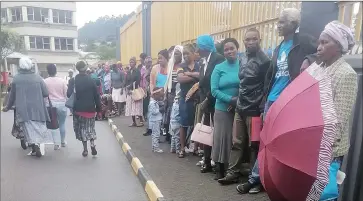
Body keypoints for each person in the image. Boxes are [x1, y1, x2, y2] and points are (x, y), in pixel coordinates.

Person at [237, 8, 318, 194]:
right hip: (272, 100)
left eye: (282, 22)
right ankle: (258, 179)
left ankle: (266, 181)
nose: (278, 25)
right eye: (278, 22)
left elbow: (320, 53)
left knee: (282, 143)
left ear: (293, 24)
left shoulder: (302, 41)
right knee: (265, 141)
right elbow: (271, 77)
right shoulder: (279, 47)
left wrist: (308, 59)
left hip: (289, 102)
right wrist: (265, 102)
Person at [305, 21, 357, 200]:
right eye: (319, 42)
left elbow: (339, 120)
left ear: (339, 45)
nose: (319, 48)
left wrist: (323, 152)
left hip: (328, 150)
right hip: (312, 143)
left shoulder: (346, 74)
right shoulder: (319, 69)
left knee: (322, 195)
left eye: (325, 43)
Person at [218, 28, 270, 185]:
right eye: (248, 39)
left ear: (260, 39)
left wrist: (262, 109)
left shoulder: (265, 60)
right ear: (244, 41)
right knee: (237, 143)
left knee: (253, 145)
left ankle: (253, 179)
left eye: (254, 39)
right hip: (240, 108)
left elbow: (266, 87)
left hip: (254, 110)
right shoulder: (243, 57)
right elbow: (242, 83)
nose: (251, 42)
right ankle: (232, 173)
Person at [3, 57, 51, 157]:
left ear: (20, 66)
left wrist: (7, 107)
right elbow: (46, 93)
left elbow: (12, 96)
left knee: (28, 129)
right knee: (38, 128)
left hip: (23, 109)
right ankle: (36, 145)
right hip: (38, 109)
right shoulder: (37, 77)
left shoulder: (17, 78)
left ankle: (34, 146)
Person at [210, 38, 241, 180]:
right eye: (226, 50)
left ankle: (233, 168)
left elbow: (246, 85)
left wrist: (237, 101)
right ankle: (219, 167)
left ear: (237, 48)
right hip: (222, 109)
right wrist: (230, 100)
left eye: (232, 48)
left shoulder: (243, 65)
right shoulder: (219, 68)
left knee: (235, 139)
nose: (229, 51)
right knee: (221, 138)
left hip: (239, 108)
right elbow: (214, 90)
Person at [196, 34, 225, 173]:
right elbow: (202, 82)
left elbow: (216, 82)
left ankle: (216, 161)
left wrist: (207, 99)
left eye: (198, 46)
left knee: (217, 132)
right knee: (207, 132)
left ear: (204, 47)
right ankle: (207, 161)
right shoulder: (203, 61)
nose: (197, 49)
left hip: (215, 101)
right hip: (205, 101)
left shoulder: (218, 59)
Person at [67, 61, 101, 157]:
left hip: (78, 110)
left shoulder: (72, 81)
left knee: (82, 129)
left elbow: (68, 94)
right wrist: (99, 109)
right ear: (86, 68)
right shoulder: (91, 80)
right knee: (90, 128)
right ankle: (92, 144)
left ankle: (85, 150)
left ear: (77, 69)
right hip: (90, 109)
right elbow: (96, 96)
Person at [176, 44, 199, 158]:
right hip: (185, 99)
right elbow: (180, 78)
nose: (185, 56)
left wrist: (189, 74)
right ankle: (182, 148)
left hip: (197, 99)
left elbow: (203, 76)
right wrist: (196, 77)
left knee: (197, 124)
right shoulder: (181, 66)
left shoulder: (199, 65)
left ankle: (195, 148)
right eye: (183, 54)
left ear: (194, 54)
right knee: (183, 124)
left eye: (187, 53)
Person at [44, 64, 68, 150]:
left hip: (50, 105)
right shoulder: (62, 81)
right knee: (62, 124)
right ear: (56, 71)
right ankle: (62, 141)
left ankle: (56, 144)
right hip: (62, 104)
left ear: (48, 71)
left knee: (54, 125)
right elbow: (66, 94)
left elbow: (44, 95)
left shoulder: (44, 81)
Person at [164, 45, 184, 143]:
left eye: (177, 54)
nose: (175, 55)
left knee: (178, 116)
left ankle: (178, 138)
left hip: (180, 92)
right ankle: (170, 136)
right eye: (174, 54)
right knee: (170, 115)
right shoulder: (171, 64)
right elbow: (168, 80)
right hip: (171, 92)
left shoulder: (184, 65)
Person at [125, 57, 143, 127]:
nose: (131, 63)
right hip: (130, 91)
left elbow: (138, 80)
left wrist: (130, 86)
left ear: (135, 63)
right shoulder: (129, 71)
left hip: (135, 90)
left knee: (137, 106)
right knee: (131, 107)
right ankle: (134, 122)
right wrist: (127, 88)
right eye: (130, 62)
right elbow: (126, 80)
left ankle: (141, 121)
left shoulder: (137, 71)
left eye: (132, 62)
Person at [149, 87, 165, 153]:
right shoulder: (152, 103)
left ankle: (154, 147)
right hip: (155, 121)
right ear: (155, 95)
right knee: (156, 134)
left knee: (155, 134)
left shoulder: (155, 102)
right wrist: (160, 110)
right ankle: (156, 148)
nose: (160, 97)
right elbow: (154, 112)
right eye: (159, 95)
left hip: (156, 120)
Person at [141, 56, 153, 135]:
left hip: (152, 92)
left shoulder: (153, 69)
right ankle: (149, 128)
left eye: (149, 62)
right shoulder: (145, 70)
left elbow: (150, 79)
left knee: (151, 111)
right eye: (146, 62)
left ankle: (151, 129)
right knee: (147, 110)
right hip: (146, 92)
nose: (148, 64)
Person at [170, 83, 181, 153]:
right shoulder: (178, 105)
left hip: (172, 122)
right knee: (177, 137)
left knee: (173, 136)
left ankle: (172, 148)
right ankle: (177, 149)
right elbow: (177, 115)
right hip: (177, 122)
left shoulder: (174, 104)